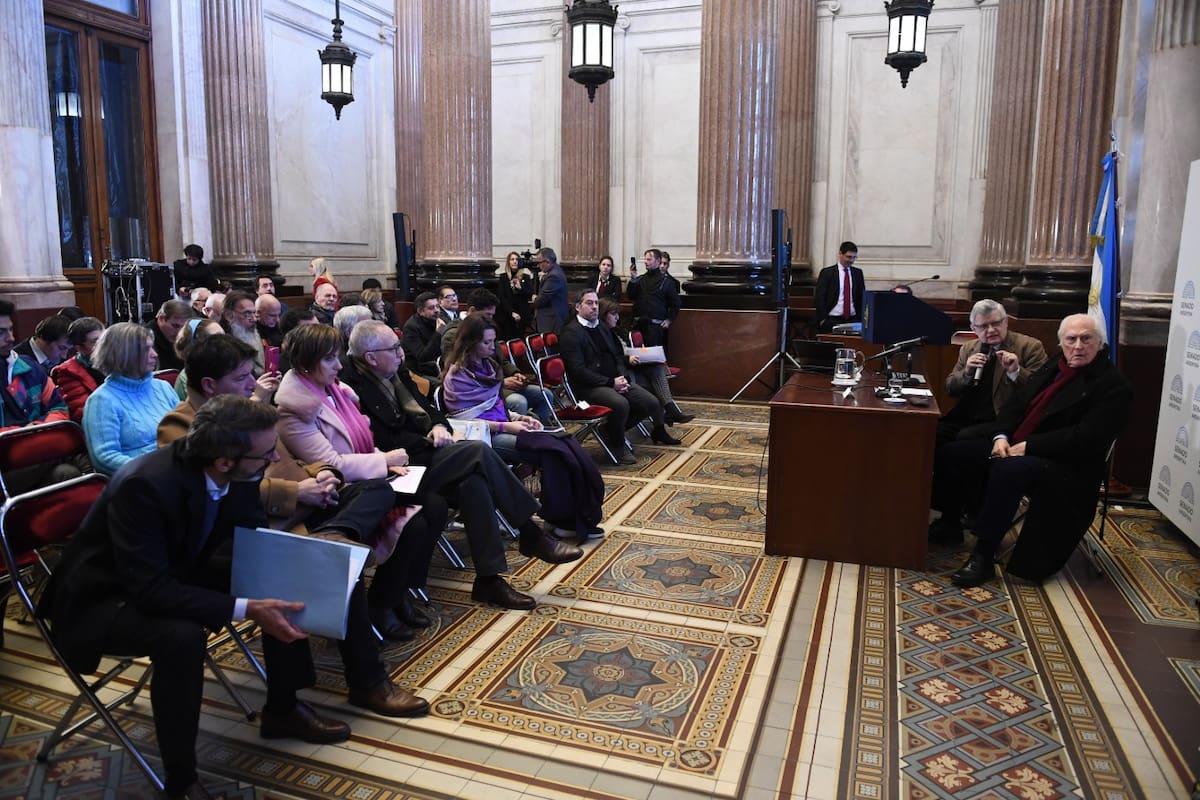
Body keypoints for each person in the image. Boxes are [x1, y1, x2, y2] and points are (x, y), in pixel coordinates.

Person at [39, 395, 428, 800]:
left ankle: (292, 705)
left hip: (176, 569)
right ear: (225, 461)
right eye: (264, 454)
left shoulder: (232, 470)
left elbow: (253, 542)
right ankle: (181, 780)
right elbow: (150, 591)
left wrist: (295, 564)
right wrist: (247, 607)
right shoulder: (146, 485)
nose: (274, 457)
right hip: (104, 601)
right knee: (181, 636)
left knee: (300, 566)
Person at [158, 334, 443, 641]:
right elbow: (221, 493)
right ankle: (367, 678)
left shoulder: (249, 409)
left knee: (393, 501)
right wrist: (298, 491)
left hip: (308, 501)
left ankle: (351, 551)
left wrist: (322, 474)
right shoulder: (178, 425)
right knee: (341, 563)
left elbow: (289, 457)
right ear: (210, 385)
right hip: (263, 523)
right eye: (242, 378)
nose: (251, 384)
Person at [337, 321, 585, 609]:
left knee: (474, 484)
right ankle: (530, 533)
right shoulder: (353, 387)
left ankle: (488, 581)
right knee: (477, 452)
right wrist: (431, 438)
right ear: (370, 357)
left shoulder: (393, 372)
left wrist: (440, 426)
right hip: (399, 466)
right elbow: (382, 437)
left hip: (425, 455)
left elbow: (429, 409)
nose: (400, 353)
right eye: (393, 348)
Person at [931, 314, 1133, 588]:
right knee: (952, 452)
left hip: (1064, 463)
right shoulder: (1055, 365)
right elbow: (1016, 405)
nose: (1078, 346)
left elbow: (1086, 438)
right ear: (1061, 343)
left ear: (1099, 343)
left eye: (1086, 339)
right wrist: (1000, 435)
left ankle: (983, 554)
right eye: (1071, 339)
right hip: (1018, 444)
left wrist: (1029, 446)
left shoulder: (1114, 385)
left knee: (1007, 470)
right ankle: (952, 521)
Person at [442, 315, 606, 541]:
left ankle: (567, 516)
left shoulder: (487, 365)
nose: (492, 348)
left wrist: (520, 417)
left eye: (493, 341)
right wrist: (509, 426)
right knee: (552, 452)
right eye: (486, 343)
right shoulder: (457, 375)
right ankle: (561, 518)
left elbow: (497, 405)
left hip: (503, 426)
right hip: (483, 438)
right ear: (470, 343)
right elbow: (464, 421)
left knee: (565, 442)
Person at [560, 289, 681, 464]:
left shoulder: (601, 326)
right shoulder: (571, 333)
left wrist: (622, 377)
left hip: (613, 381)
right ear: (578, 307)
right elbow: (578, 372)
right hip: (589, 388)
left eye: (596, 303)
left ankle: (609, 431)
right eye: (589, 303)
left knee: (651, 402)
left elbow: (616, 356)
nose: (594, 307)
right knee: (620, 404)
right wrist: (611, 383)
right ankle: (618, 446)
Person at [936, 299, 1048, 448]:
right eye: (983, 326)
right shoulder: (968, 348)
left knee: (961, 440)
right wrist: (967, 373)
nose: (990, 330)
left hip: (1000, 420)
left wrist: (1016, 371)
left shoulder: (1030, 347)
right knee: (931, 431)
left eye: (996, 324)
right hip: (966, 415)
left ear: (1006, 322)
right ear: (974, 329)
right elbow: (950, 388)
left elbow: (1041, 391)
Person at [82, 322, 180, 476]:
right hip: (140, 480)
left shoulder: (163, 387)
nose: (155, 354)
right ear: (124, 354)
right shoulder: (101, 401)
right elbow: (104, 458)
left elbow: (185, 428)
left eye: (152, 347)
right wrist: (156, 468)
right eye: (146, 349)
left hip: (177, 469)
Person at [0, 299, 76, 493]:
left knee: (67, 474)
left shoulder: (28, 368)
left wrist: (36, 429)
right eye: (2, 332)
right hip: (6, 463)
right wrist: (21, 434)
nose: (10, 338)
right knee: (67, 450)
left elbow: (58, 407)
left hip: (37, 451)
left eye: (10, 330)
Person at [599, 298, 692, 425]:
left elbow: (623, 350)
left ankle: (669, 412)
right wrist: (628, 359)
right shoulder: (603, 333)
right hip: (622, 373)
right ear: (603, 315)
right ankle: (664, 421)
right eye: (613, 314)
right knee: (656, 387)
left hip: (631, 367)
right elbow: (611, 358)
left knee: (657, 368)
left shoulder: (616, 331)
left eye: (617, 314)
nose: (617, 318)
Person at [49, 316, 106, 424]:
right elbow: (82, 413)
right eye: (95, 341)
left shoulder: (115, 362)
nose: (103, 345)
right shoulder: (67, 372)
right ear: (79, 347)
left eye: (104, 339)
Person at [627, 248, 680, 349]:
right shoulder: (640, 279)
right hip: (638, 325)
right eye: (645, 260)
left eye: (649, 260)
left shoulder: (667, 282)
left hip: (655, 328)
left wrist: (669, 320)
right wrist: (633, 279)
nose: (646, 262)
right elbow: (631, 296)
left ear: (658, 261)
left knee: (654, 359)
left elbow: (676, 304)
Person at [814, 241, 864, 332]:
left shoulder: (858, 273)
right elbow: (820, 297)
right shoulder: (827, 273)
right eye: (848, 257)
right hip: (832, 319)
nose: (851, 260)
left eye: (854, 257)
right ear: (840, 254)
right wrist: (823, 319)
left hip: (853, 319)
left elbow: (861, 296)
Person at [172, 318, 227, 401]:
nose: (227, 343)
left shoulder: (226, 368)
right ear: (199, 345)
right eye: (218, 339)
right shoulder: (188, 377)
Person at [401, 292, 445, 379]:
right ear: (420, 311)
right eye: (431, 308)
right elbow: (423, 357)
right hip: (419, 371)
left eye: (437, 306)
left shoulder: (439, 319)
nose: (436, 310)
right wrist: (438, 333)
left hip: (439, 365)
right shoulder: (411, 327)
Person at [221, 290, 266, 374]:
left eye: (254, 313)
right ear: (229, 316)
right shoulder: (223, 347)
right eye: (247, 313)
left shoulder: (257, 333)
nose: (254, 319)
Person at [495, 251, 534, 340]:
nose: (514, 261)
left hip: (522, 314)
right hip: (507, 314)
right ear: (508, 262)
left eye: (517, 259)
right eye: (512, 259)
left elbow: (530, 294)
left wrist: (521, 288)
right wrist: (511, 312)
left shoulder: (526, 277)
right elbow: (502, 297)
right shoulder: (503, 277)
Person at [531, 247, 569, 334]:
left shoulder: (553, 276)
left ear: (547, 261)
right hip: (551, 321)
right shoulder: (556, 272)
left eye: (539, 262)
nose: (538, 266)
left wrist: (535, 299)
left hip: (551, 322)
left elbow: (541, 301)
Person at [148, 300, 192, 371]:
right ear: (161, 318)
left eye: (184, 327)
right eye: (175, 326)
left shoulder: (188, 337)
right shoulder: (144, 340)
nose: (180, 332)